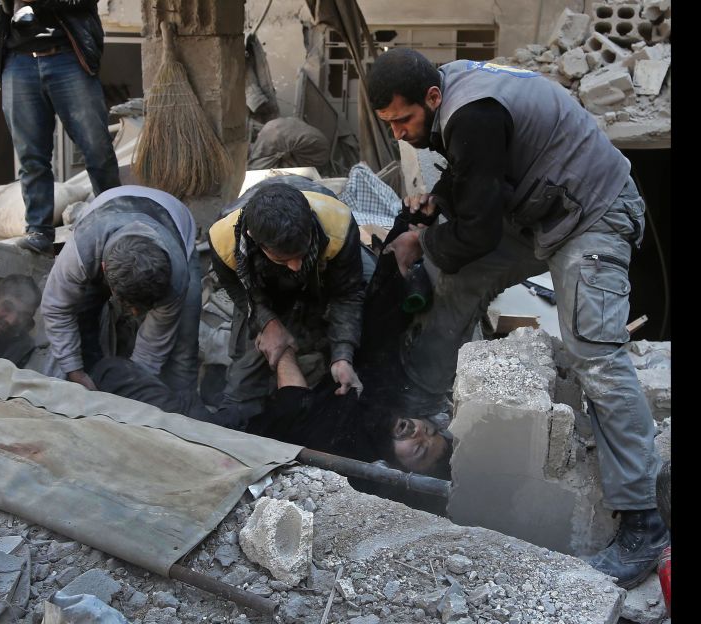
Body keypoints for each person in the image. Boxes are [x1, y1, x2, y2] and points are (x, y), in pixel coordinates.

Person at [366, 48, 666, 587]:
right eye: (388, 125)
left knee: (595, 355)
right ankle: (422, 400)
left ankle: (643, 524)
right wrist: (437, 203)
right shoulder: (449, 95)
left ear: (432, 99)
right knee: (458, 279)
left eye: (404, 121)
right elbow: (475, 177)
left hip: (592, 212)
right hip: (544, 211)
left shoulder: (472, 114)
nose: (401, 136)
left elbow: (478, 230)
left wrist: (425, 238)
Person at [0, 0, 120, 256]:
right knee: (31, 157)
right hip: (18, 62)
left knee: (96, 148)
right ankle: (39, 231)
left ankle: (115, 220)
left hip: (68, 56)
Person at [208, 177, 365, 429]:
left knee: (347, 348)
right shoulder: (223, 241)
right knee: (246, 376)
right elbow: (240, 290)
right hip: (259, 284)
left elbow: (347, 293)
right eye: (284, 259)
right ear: (254, 240)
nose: (295, 266)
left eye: (301, 254)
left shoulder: (339, 225)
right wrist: (267, 322)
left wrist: (343, 354)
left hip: (324, 274)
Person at [40, 185, 201, 391]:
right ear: (104, 269)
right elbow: (56, 308)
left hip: (174, 223)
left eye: (140, 306)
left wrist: (132, 390)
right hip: (104, 225)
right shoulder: (80, 252)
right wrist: (75, 371)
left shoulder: (176, 275)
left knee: (183, 346)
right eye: (130, 304)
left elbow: (151, 352)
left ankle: (183, 410)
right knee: (81, 322)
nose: (134, 313)